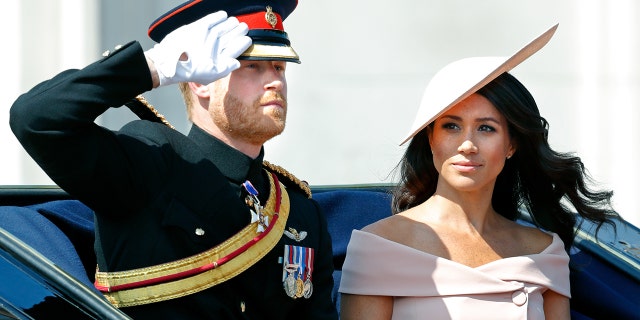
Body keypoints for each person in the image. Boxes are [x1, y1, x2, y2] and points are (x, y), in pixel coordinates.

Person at [10, 0, 338, 319]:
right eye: (253, 66)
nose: (275, 82)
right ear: (201, 81)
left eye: (279, 67)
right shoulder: (151, 160)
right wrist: (152, 68)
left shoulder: (298, 212)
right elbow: (36, 120)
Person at [339, 24, 619, 320]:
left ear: (511, 145)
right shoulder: (379, 245)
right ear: (430, 139)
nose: (468, 144)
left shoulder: (545, 251)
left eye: (486, 128)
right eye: (451, 126)